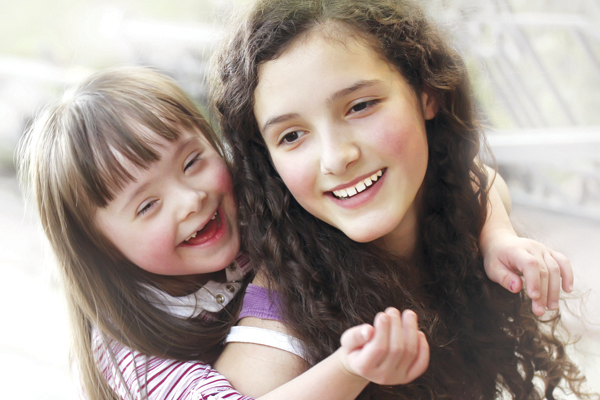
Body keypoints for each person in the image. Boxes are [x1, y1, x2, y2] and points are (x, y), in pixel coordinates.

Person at [17, 66, 573, 398]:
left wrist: (497, 237)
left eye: (191, 162)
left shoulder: (250, 194)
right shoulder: (129, 350)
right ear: (102, 251)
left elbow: (459, 173)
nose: (191, 201)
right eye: (147, 205)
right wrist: (352, 367)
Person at [209, 0, 591, 398]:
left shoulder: (450, 204)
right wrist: (350, 370)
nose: (337, 158)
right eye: (291, 135)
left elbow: (477, 178)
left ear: (427, 94)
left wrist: (498, 235)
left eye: (360, 107)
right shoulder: (280, 319)